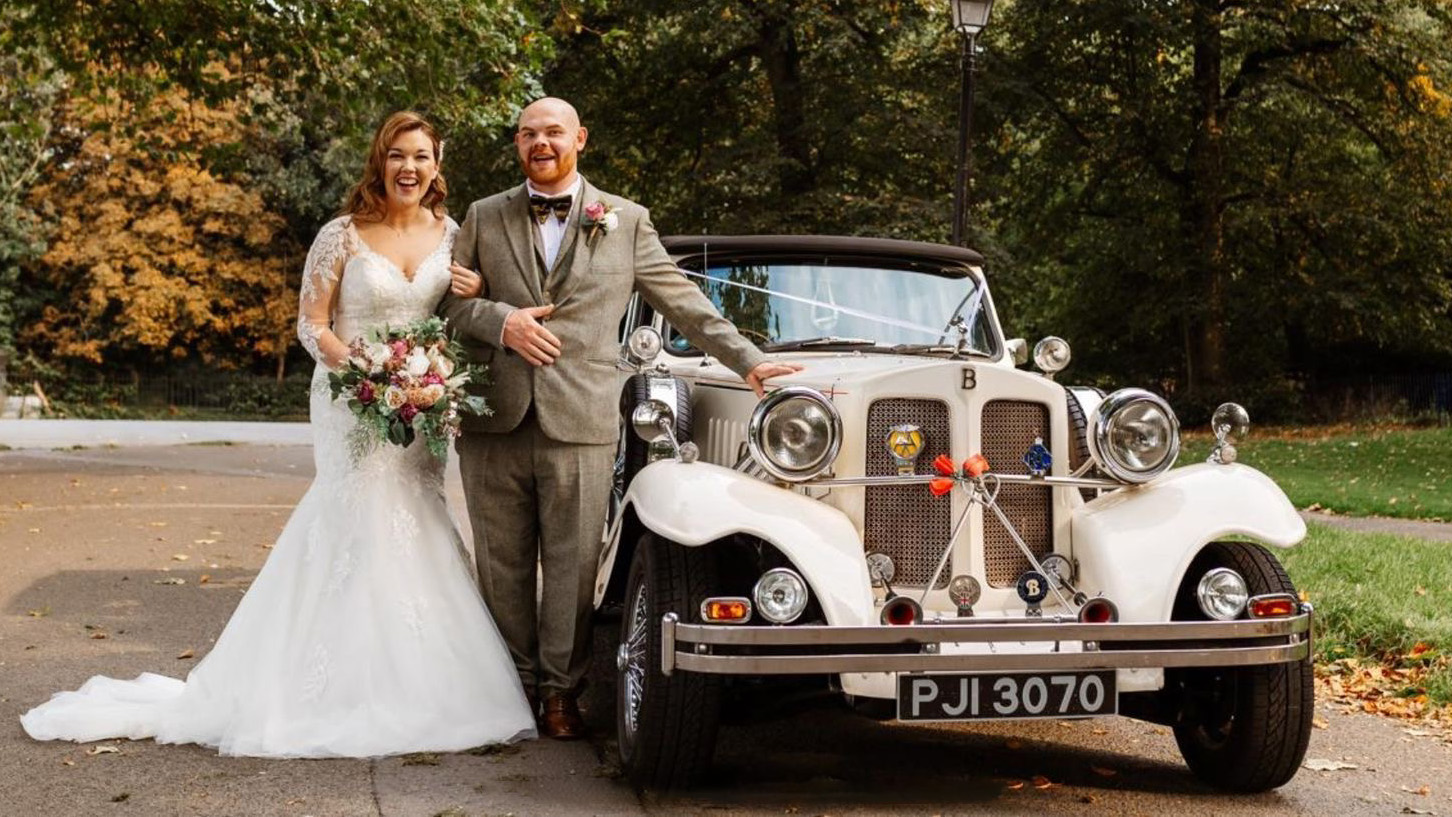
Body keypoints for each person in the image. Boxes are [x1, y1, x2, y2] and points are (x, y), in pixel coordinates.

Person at [20, 112, 537, 758]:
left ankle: (427, 683)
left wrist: (469, 300)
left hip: (420, 406)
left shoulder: (454, 236)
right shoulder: (341, 235)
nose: (410, 167)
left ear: (438, 166)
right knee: (356, 521)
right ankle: (332, 688)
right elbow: (308, 324)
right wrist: (366, 367)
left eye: (422, 156)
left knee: (419, 517)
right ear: (380, 162)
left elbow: (457, 314)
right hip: (351, 397)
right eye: (398, 155)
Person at [438, 97, 800, 739]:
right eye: (528, 134)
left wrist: (748, 361)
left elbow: (683, 301)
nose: (540, 143)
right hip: (494, 418)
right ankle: (511, 688)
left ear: (581, 138)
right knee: (502, 565)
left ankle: (561, 694)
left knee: (575, 565)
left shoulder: (626, 221)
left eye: (553, 132)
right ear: (517, 145)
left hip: (581, 417)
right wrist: (504, 322)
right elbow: (449, 305)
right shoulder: (482, 215)